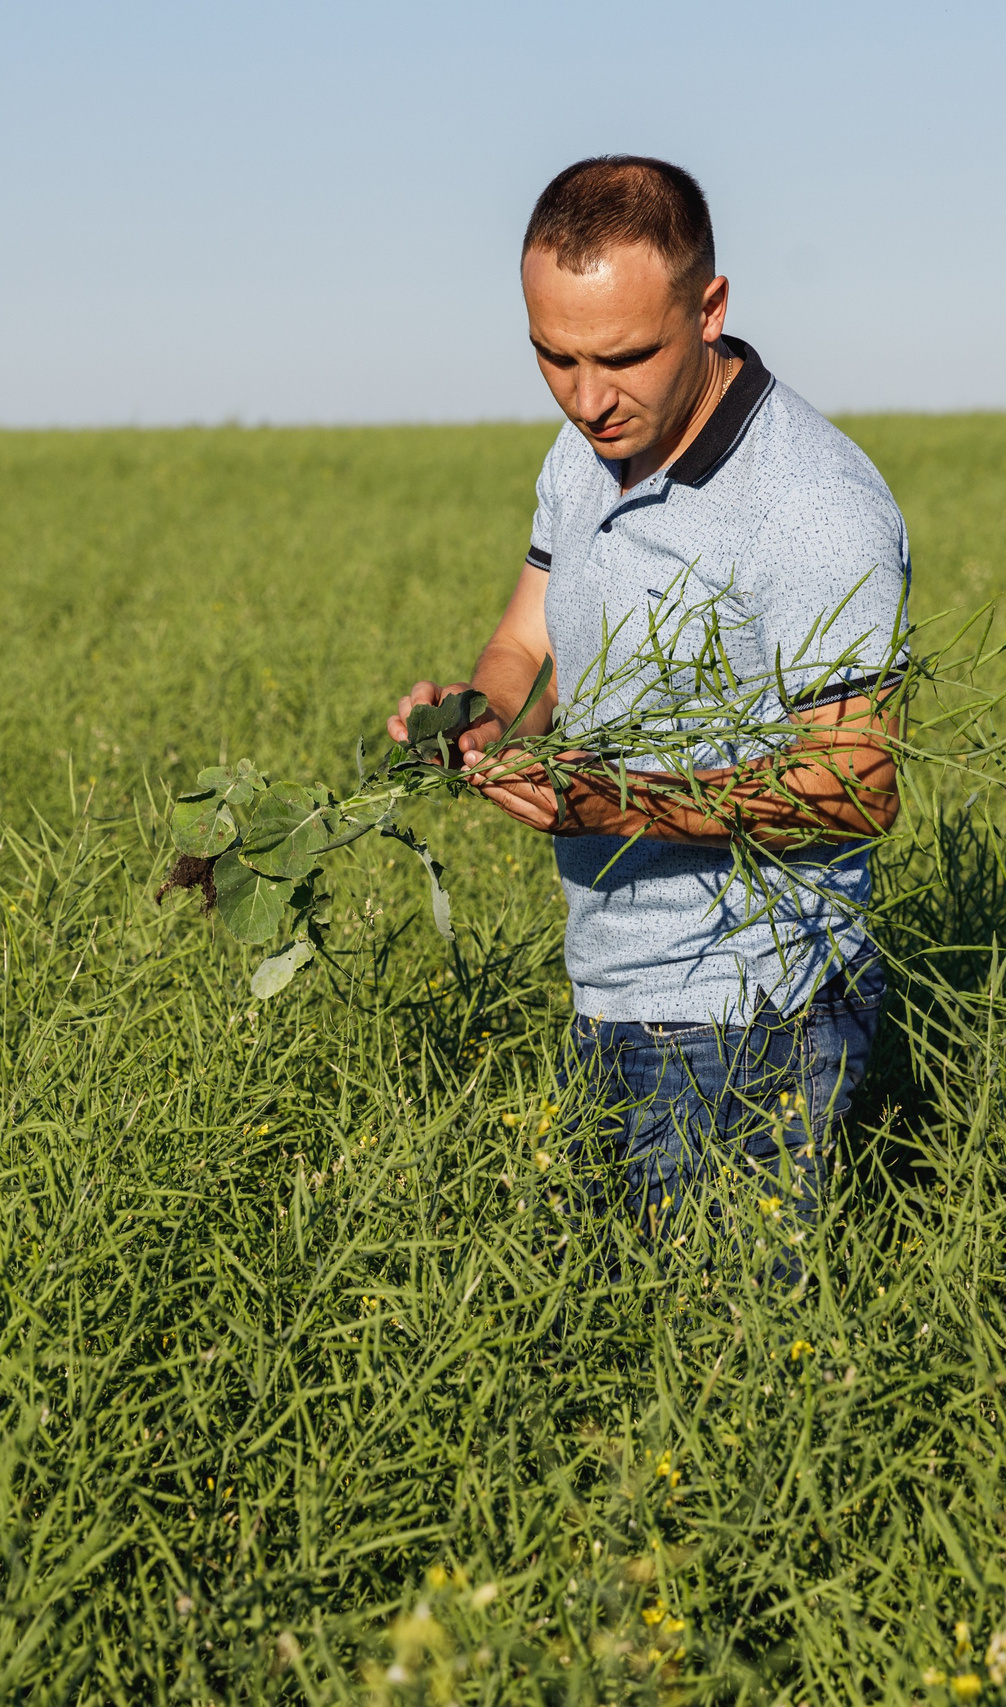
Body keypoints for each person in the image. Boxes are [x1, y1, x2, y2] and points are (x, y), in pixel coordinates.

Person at [385, 156, 910, 1234]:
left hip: (754, 1018)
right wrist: (477, 716)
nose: (586, 397)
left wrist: (614, 804)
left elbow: (857, 784)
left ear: (709, 310)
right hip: (609, 991)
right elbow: (528, 636)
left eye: (623, 357)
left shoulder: (813, 505)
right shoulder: (581, 454)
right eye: (553, 356)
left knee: (723, 1362)